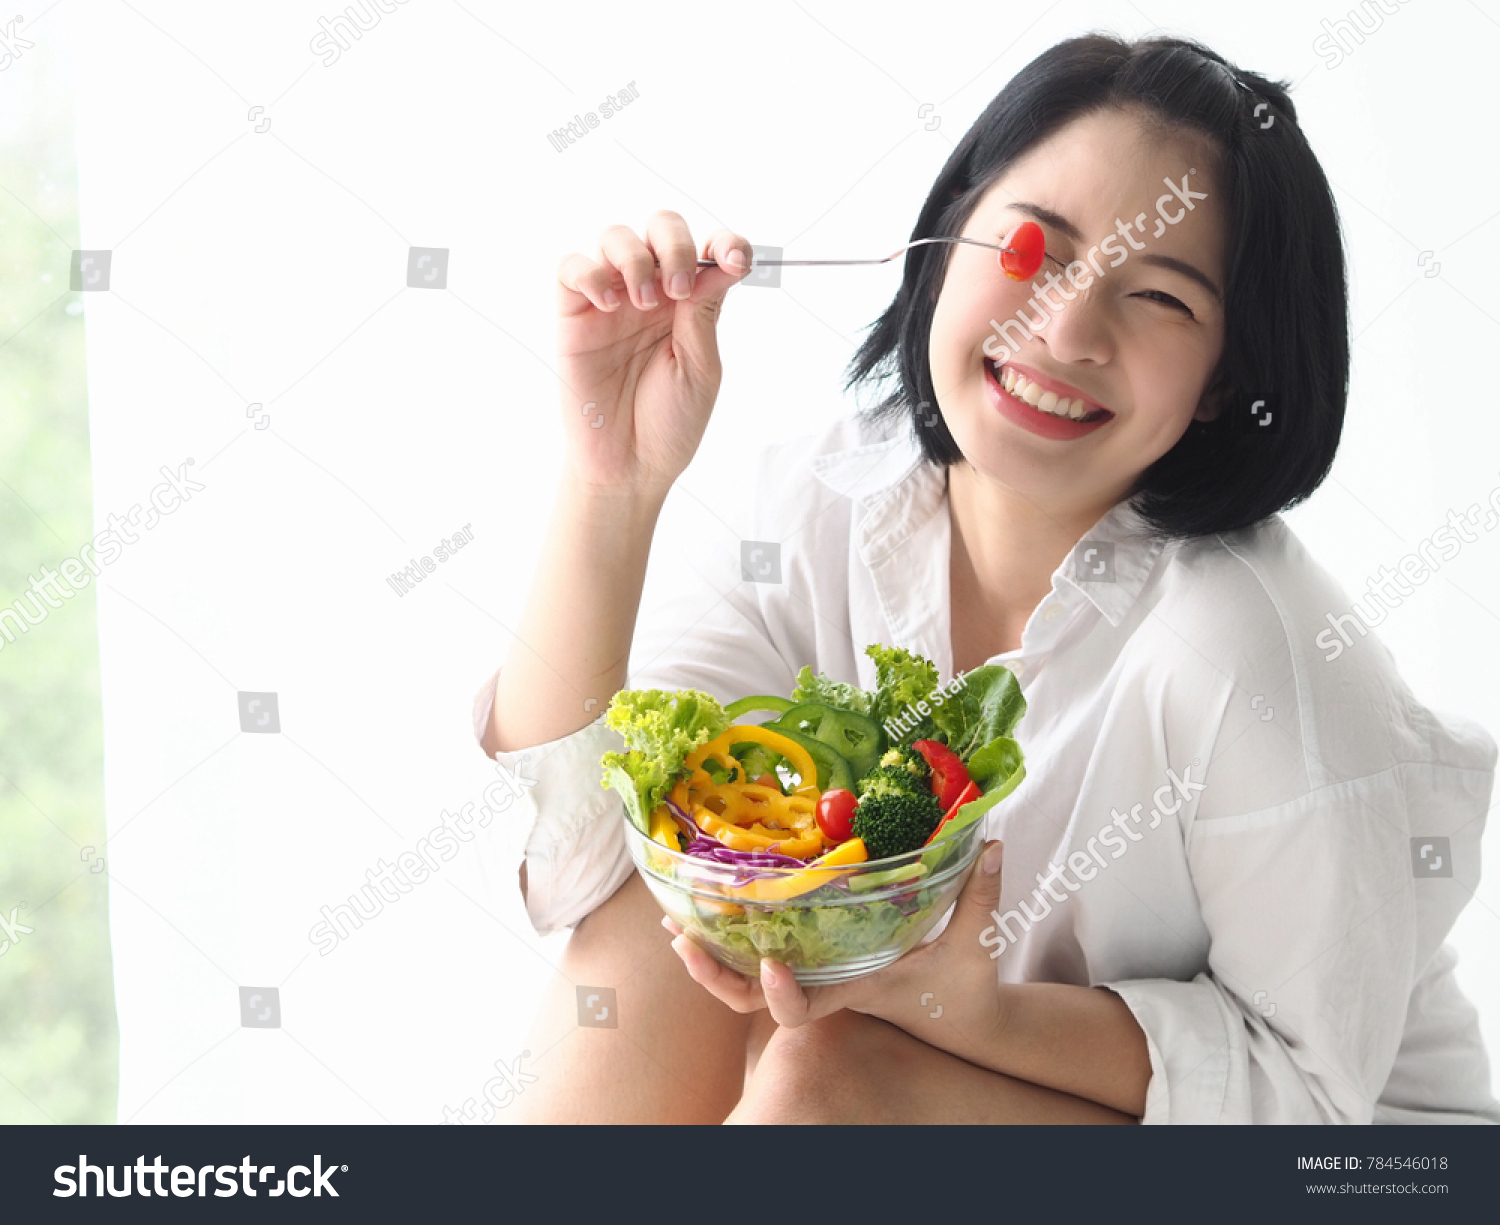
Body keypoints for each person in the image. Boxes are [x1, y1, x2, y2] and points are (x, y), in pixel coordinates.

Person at [473, 33, 1499, 1124]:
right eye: (1033, 248)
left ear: (1221, 379)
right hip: (957, 1097)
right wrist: (612, 484)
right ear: (947, 237)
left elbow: (1308, 1090)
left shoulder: (1254, 645)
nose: (1065, 329)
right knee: (668, 907)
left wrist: (972, 1013)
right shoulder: (820, 509)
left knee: (828, 1076)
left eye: (1158, 297)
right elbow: (587, 865)